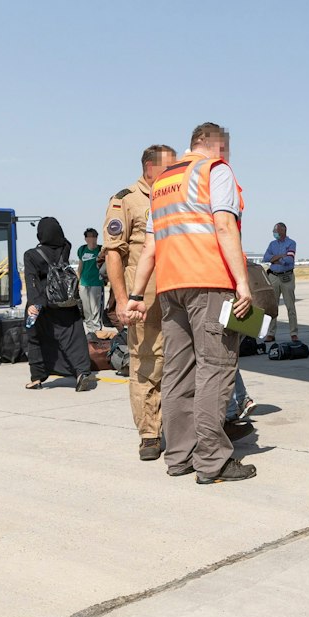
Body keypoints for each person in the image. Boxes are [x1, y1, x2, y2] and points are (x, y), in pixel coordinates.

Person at [124, 124, 257, 484]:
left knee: (178, 371)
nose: (227, 155)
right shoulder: (214, 171)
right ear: (214, 144)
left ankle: (179, 456)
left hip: (171, 287)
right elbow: (225, 227)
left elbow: (151, 247)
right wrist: (243, 284)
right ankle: (212, 459)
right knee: (215, 367)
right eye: (225, 148)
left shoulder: (164, 183)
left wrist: (137, 296)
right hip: (210, 282)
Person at [106, 144, 176, 461]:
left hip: (176, 289)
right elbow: (113, 254)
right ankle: (149, 433)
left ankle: (177, 426)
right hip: (144, 294)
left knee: (177, 360)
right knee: (147, 360)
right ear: (150, 167)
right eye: (168, 166)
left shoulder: (175, 198)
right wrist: (122, 299)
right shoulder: (126, 200)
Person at [23, 217, 96, 390]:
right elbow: (66, 240)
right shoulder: (65, 248)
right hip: (66, 299)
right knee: (74, 336)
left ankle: (37, 377)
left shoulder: (31, 255)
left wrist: (33, 303)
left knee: (36, 337)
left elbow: (31, 279)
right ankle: (82, 373)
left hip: (43, 302)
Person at [261, 222, 299, 343]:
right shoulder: (272, 244)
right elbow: (266, 257)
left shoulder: (291, 243)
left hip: (287, 278)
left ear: (283, 230)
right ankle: (271, 333)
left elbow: (289, 259)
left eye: (276, 230)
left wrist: (275, 259)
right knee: (272, 306)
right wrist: (279, 256)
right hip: (274, 277)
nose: (274, 232)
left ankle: (294, 333)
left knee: (290, 307)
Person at [77, 227, 107, 338]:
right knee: (86, 309)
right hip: (84, 283)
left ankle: (97, 331)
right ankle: (90, 332)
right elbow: (80, 267)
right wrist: (78, 282)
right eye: (90, 237)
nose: (93, 239)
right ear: (86, 239)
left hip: (97, 283)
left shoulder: (100, 250)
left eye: (95, 236)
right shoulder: (82, 250)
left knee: (95, 309)